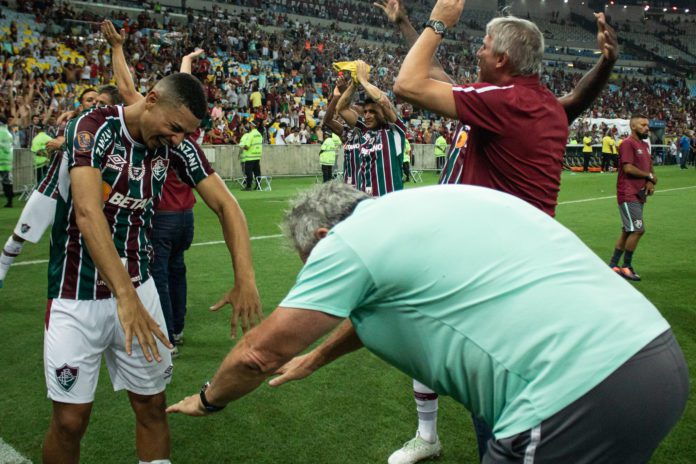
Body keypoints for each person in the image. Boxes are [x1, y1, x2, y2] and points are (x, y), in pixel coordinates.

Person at [167, 182, 688, 464]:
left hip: (571, 400)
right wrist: (319, 356)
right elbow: (386, 304)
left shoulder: (346, 244)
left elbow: (260, 353)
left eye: (311, 264)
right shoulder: (430, 204)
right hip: (656, 359)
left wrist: (209, 397)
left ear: (323, 238)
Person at [383, 0, 619, 460]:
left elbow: (409, 84)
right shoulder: (538, 105)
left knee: (492, 401)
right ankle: (430, 437)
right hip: (524, 266)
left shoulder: (506, 104)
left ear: (503, 60)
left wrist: (438, 23)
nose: (478, 51)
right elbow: (565, 103)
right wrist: (606, 64)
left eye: (485, 46)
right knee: (441, 348)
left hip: (498, 274)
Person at [42, 73, 262, 464]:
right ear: (151, 99)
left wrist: (244, 277)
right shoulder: (93, 129)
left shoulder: (178, 146)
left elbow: (228, 206)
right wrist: (123, 295)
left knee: (151, 406)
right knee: (70, 421)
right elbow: (88, 214)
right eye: (175, 127)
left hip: (141, 291)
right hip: (77, 293)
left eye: (186, 132)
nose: (178, 139)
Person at [0, 87, 110, 289]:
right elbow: (59, 144)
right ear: (80, 104)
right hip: (50, 189)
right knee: (21, 233)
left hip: (79, 197)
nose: (94, 103)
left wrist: (65, 144)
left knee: (82, 243)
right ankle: (2, 267)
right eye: (89, 100)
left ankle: (88, 283)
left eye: (97, 101)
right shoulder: (70, 123)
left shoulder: (105, 128)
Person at [336, 61, 406, 197]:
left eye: (372, 112)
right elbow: (341, 109)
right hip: (366, 203)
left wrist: (363, 80)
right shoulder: (363, 130)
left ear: (383, 113)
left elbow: (383, 102)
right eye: (365, 111)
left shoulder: (394, 131)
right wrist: (353, 84)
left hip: (388, 204)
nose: (367, 115)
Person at [607, 114, 656, 282]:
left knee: (627, 230)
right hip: (627, 193)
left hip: (639, 193)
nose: (647, 127)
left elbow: (649, 165)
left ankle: (613, 265)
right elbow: (628, 168)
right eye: (643, 125)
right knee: (638, 229)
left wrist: (650, 180)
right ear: (633, 127)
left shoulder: (644, 144)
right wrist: (649, 175)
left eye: (647, 125)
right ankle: (626, 267)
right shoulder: (627, 143)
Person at [238, 120, 263, 190]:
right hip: (257, 155)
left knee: (248, 172)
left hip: (250, 156)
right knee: (257, 172)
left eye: (250, 124)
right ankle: (258, 186)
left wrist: (242, 147)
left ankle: (248, 186)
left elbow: (247, 146)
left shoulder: (250, 134)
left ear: (252, 125)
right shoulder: (259, 134)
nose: (249, 125)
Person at [0, 117, 12, 209]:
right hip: (7, 162)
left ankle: (9, 201)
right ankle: (9, 200)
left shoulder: (2, 132)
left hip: (2, 160)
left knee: (6, 182)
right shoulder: (8, 133)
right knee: (7, 182)